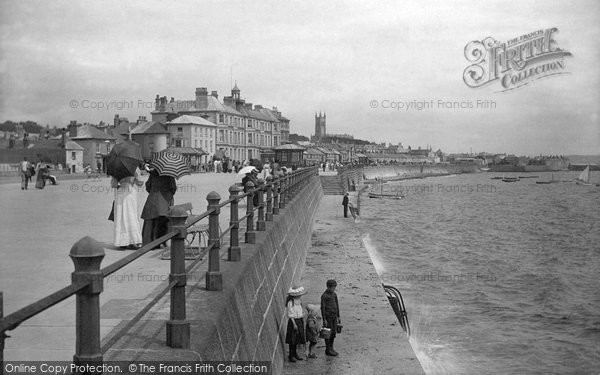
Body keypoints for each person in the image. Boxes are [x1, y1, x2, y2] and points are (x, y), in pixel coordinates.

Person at [141, 168, 177, 249]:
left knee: (151, 221)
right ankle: (163, 241)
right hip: (165, 200)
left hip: (153, 200)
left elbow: (148, 187)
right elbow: (173, 188)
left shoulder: (153, 174)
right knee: (164, 221)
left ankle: (150, 243)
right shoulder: (170, 174)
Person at [111, 166, 144, 250]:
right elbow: (139, 183)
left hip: (120, 192)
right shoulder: (134, 167)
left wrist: (120, 185)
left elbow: (114, 184)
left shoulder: (116, 168)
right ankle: (134, 240)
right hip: (130, 192)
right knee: (131, 215)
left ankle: (122, 241)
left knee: (120, 216)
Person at [285, 286, 307, 362]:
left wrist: (302, 314)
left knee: (297, 339)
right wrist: (294, 324)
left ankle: (295, 354)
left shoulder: (299, 302)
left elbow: (300, 311)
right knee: (292, 339)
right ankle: (291, 355)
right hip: (293, 321)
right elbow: (290, 314)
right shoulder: (290, 303)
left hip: (299, 320)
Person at [321, 279, 340, 356]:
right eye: (332, 288)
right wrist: (324, 319)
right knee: (327, 333)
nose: (334, 289)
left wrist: (338, 316)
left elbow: (337, 305)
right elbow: (323, 308)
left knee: (333, 332)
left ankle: (331, 347)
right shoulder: (324, 296)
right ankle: (328, 349)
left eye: (334, 288)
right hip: (328, 317)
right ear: (328, 287)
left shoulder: (334, 295)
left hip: (334, 316)